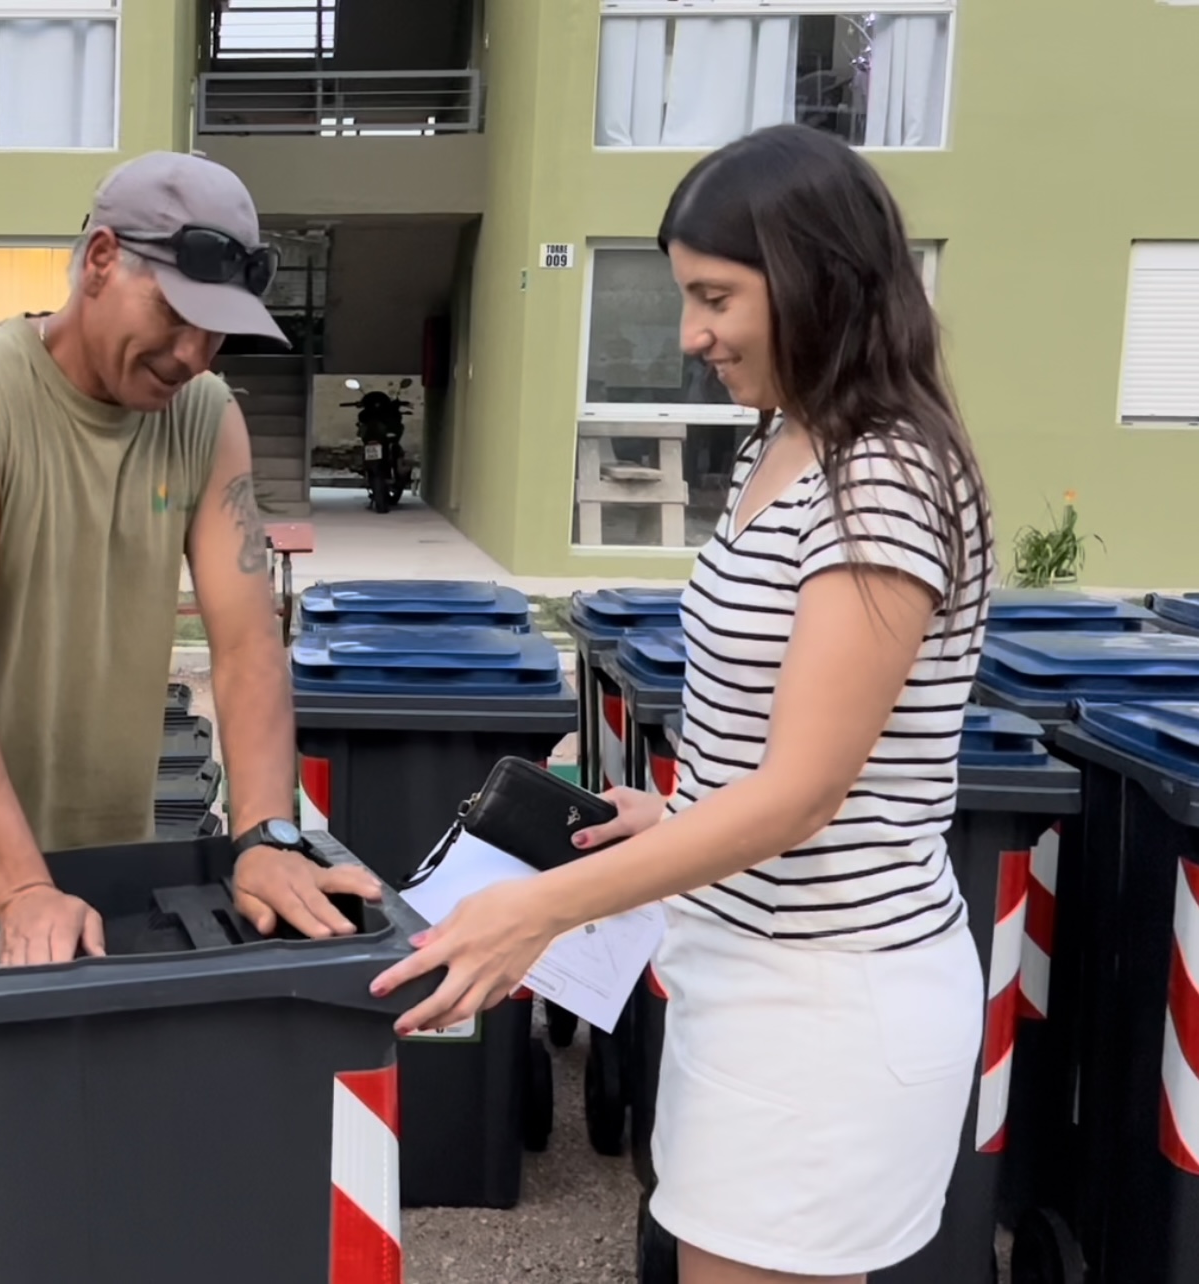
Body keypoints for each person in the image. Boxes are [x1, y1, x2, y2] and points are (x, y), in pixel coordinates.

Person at [373, 125, 995, 1284]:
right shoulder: (790, 443)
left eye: (715, 296)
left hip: (822, 1000)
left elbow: (806, 792)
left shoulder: (885, 476)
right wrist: (679, 808)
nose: (689, 334)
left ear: (817, 278)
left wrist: (542, 910)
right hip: (745, 971)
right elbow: (788, 739)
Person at [0, 151, 384, 1283]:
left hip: (79, 882)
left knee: (77, 1216)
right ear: (101, 260)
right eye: (177, 317)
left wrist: (263, 837)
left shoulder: (203, 419)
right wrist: (16, 889)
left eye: (217, 332)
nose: (194, 352)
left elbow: (247, 640)